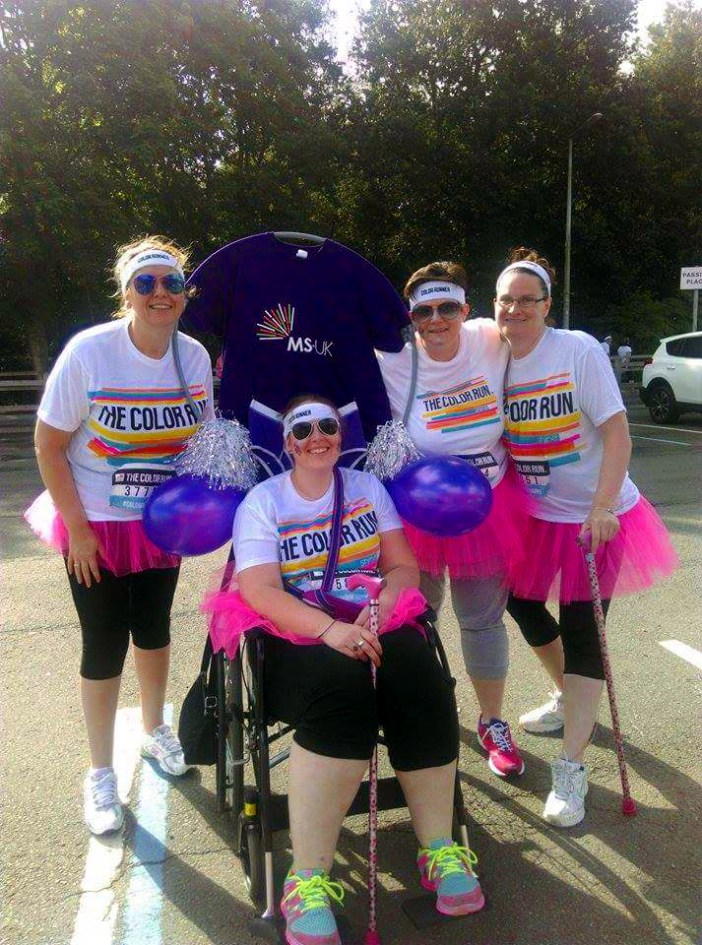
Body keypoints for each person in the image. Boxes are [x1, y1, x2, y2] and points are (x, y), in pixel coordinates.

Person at [206, 395, 485, 945]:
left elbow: (404, 565)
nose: (317, 436)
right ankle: (306, 879)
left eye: (327, 426)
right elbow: (259, 589)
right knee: (341, 686)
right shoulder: (263, 501)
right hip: (297, 635)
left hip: (370, 619)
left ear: (340, 434)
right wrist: (330, 630)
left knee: (418, 672)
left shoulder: (366, 489)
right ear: (287, 443)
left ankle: (439, 850)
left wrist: (376, 614)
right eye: (302, 429)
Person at [26, 237, 215, 835]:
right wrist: (78, 532)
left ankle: (156, 729)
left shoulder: (195, 356)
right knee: (104, 642)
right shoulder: (90, 351)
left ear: (185, 294)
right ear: (127, 293)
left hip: (160, 525)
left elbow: (200, 445)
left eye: (172, 284)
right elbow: (49, 444)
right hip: (96, 524)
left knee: (154, 629)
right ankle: (101, 773)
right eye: (146, 284)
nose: (161, 294)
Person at [495, 247, 678, 827]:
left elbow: (618, 435)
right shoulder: (495, 357)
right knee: (520, 603)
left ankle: (571, 769)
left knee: (582, 629)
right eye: (506, 299)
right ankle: (567, 697)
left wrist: (601, 507)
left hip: (595, 519)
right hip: (537, 518)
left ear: (547, 305)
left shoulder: (575, 350)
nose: (516, 309)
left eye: (528, 300)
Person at [376, 262, 529, 778]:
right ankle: (423, 715)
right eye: (423, 310)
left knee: (481, 619)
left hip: (488, 507)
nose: (435, 319)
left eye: (447, 308)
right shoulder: (393, 361)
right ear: (411, 316)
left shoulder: (490, 338)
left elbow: (540, 338)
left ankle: (492, 721)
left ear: (467, 309)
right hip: (419, 512)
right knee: (417, 618)